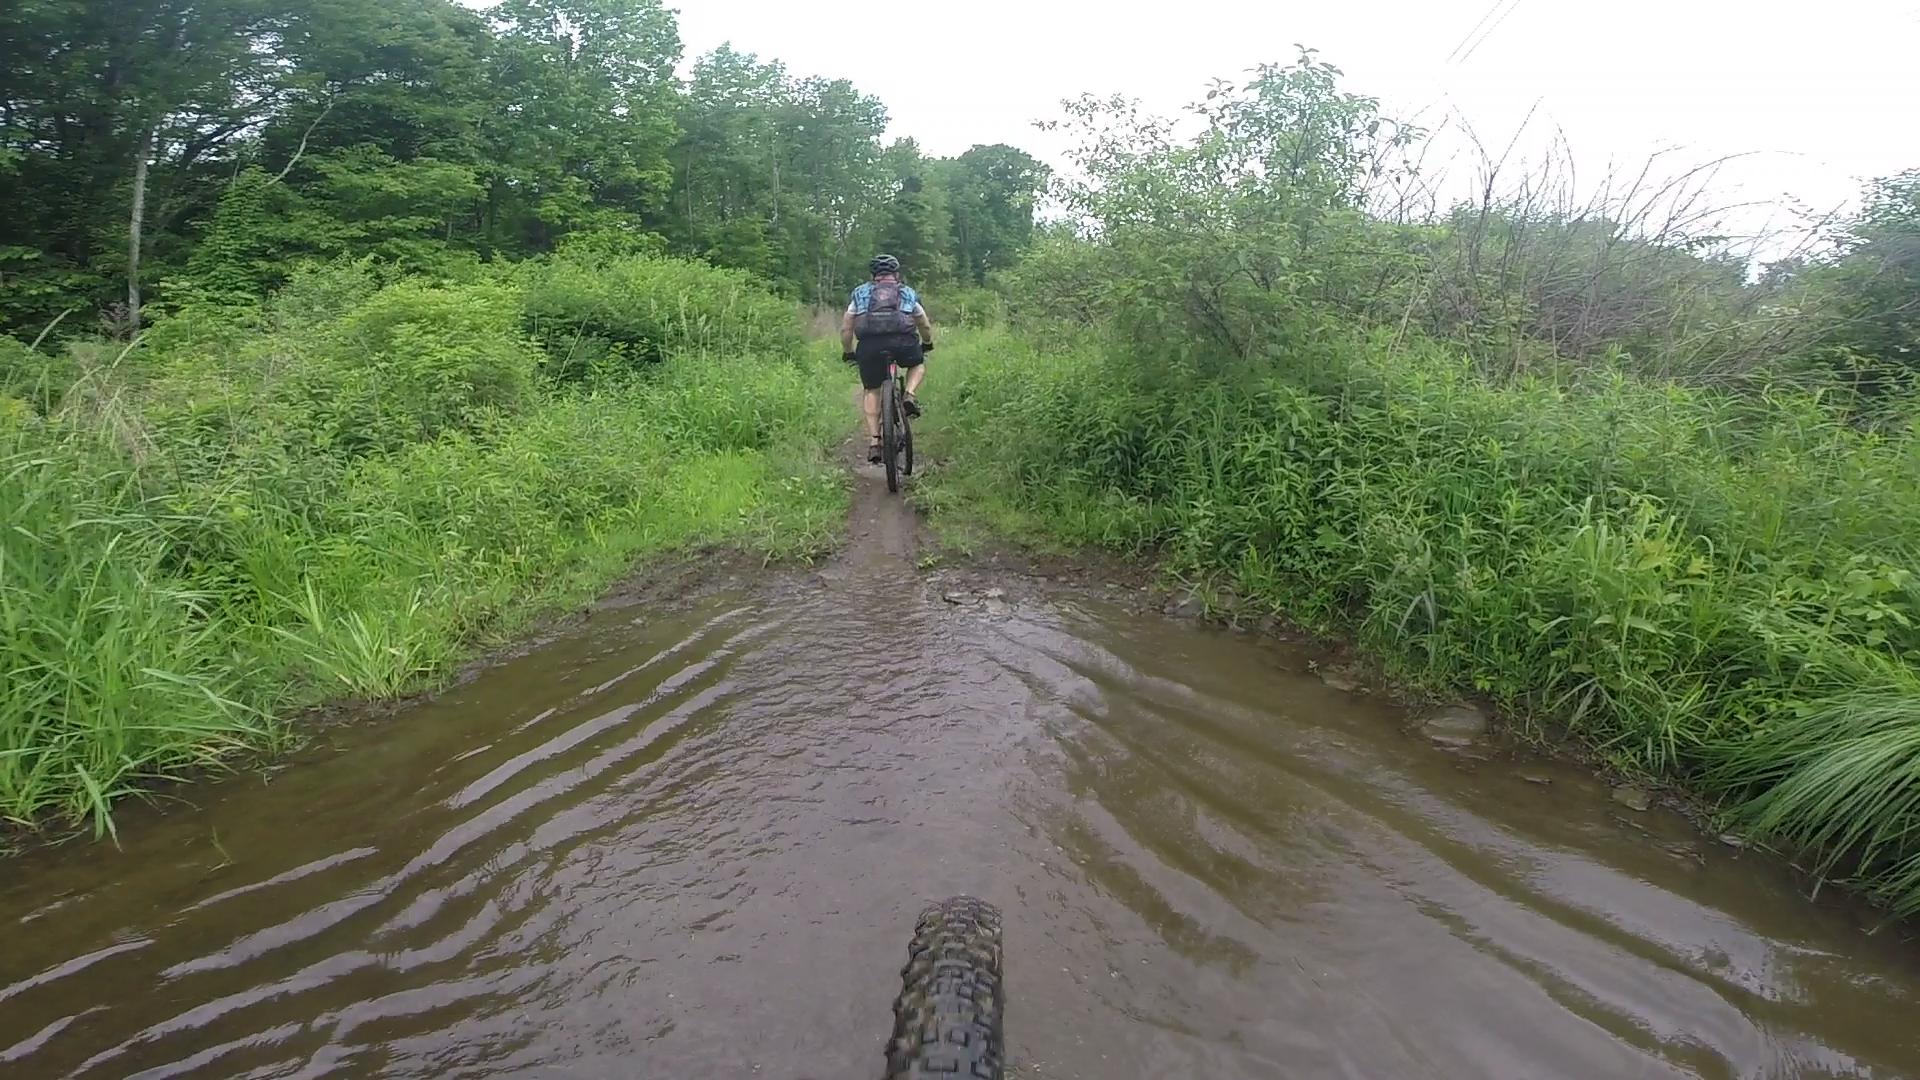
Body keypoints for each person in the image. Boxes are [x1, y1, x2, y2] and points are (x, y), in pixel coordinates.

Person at [841, 254, 934, 463]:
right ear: (896, 274)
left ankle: (875, 442)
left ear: (873, 275)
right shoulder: (908, 292)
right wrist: (927, 342)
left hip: (870, 347)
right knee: (917, 364)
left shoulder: (860, 293)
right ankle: (909, 395)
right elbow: (924, 324)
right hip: (903, 343)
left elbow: (846, 327)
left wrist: (848, 351)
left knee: (872, 390)